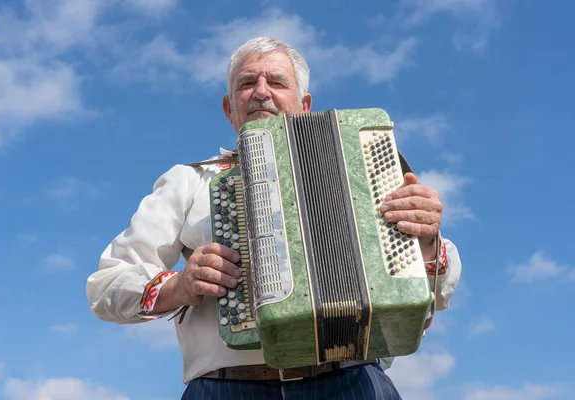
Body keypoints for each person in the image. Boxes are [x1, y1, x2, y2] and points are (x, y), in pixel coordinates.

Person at [86, 36, 462, 399]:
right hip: (226, 388)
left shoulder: (364, 169)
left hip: (353, 381)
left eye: (277, 82)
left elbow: (440, 294)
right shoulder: (189, 181)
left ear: (305, 103)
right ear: (229, 107)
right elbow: (107, 285)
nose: (261, 92)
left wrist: (425, 241)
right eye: (247, 83)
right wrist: (180, 285)